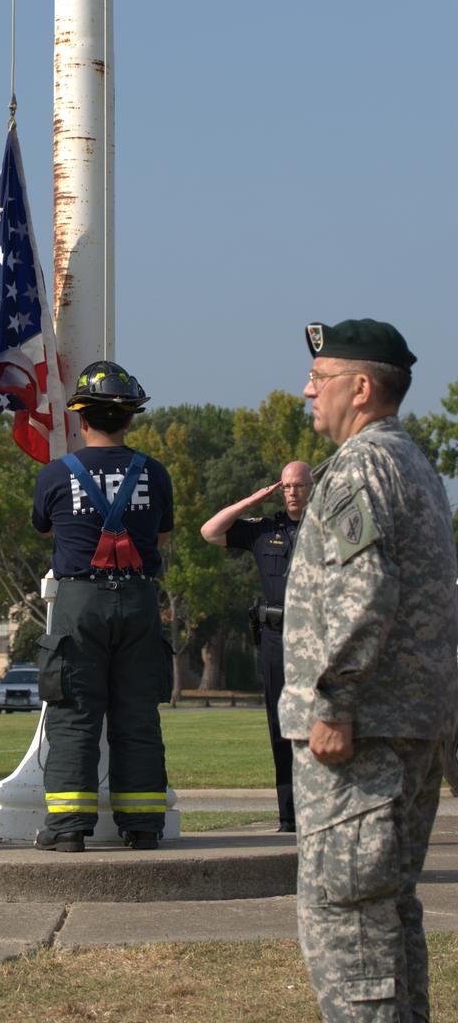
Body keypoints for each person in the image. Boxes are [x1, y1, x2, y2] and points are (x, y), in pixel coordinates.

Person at [280, 318, 458, 1022]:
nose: (305, 391)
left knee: (347, 924)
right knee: (385, 917)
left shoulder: (359, 467)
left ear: (359, 388)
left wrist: (334, 702)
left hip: (363, 738)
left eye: (318, 381)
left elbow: (363, 591)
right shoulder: (413, 462)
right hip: (406, 727)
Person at [31, 361, 174, 853]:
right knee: (137, 713)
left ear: (80, 419)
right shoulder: (153, 473)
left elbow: (45, 527)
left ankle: (69, 827)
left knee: (74, 712)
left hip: (80, 602)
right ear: (130, 418)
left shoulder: (55, 474)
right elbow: (161, 534)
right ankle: (143, 825)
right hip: (137, 600)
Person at [200, 461, 313, 831]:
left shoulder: (327, 528)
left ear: (312, 486)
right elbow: (210, 532)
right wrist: (250, 502)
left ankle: (321, 811)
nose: (292, 492)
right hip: (276, 639)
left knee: (321, 726)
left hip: (318, 639)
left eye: (298, 485)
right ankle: (288, 817)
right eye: (286, 486)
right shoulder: (266, 530)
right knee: (280, 727)